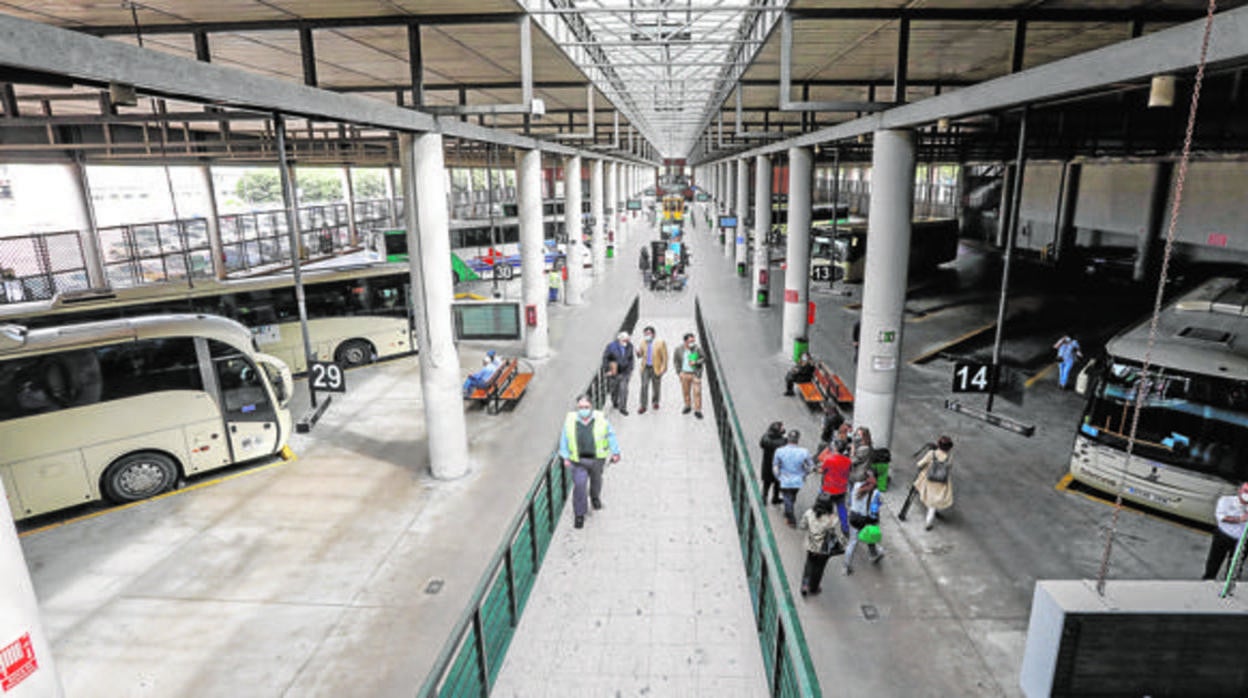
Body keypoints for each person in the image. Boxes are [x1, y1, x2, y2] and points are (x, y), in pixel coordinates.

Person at [558, 395, 622, 529]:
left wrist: (615, 452)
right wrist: (565, 456)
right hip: (578, 460)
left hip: (597, 459)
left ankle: (595, 497)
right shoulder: (570, 421)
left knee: (596, 481)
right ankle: (579, 514)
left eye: (586, 407)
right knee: (580, 485)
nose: (583, 410)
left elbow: (610, 434)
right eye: (580, 408)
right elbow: (564, 439)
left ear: (591, 407)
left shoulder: (600, 419)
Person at [799, 494, 845, 596]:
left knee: (809, 564)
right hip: (824, 549)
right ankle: (814, 588)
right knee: (819, 568)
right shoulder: (833, 519)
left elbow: (802, 526)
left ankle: (804, 585)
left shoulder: (809, 513)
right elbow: (837, 533)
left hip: (811, 545)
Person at [1203, 482, 1248, 580]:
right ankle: (1207, 581)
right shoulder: (1226, 501)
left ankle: (1229, 586)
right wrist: (1240, 519)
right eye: (1246, 491)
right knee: (1214, 562)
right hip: (1223, 536)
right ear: (1240, 491)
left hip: (1242, 541)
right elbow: (1222, 517)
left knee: (1235, 567)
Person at [844, 469, 884, 574]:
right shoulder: (876, 493)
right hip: (865, 519)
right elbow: (875, 510)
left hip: (853, 517)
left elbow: (850, 500)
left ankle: (847, 565)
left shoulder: (857, 486)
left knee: (852, 543)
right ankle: (875, 554)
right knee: (869, 535)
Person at [773, 429, 813, 527]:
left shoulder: (779, 451)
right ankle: (788, 511)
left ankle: (790, 516)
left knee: (787, 497)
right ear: (798, 439)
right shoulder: (804, 452)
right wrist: (805, 473)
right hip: (798, 480)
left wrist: (777, 476)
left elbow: (775, 466)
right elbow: (811, 466)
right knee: (792, 496)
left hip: (784, 479)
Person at [914, 435, 955, 530]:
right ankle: (932, 514)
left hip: (929, 481)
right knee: (936, 500)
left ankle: (928, 522)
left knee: (931, 504)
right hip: (942, 482)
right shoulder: (949, 457)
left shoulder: (932, 454)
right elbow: (949, 467)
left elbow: (920, 464)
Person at [814, 446, 852, 533]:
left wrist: (816, 469)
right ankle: (845, 527)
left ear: (836, 449)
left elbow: (822, 470)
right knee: (841, 508)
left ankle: (822, 524)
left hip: (828, 488)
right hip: (841, 489)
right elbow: (849, 471)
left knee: (823, 505)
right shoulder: (848, 461)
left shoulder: (829, 459)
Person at [635, 326, 668, 414]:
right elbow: (641, 354)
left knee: (656, 386)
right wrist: (638, 353)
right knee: (644, 386)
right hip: (645, 368)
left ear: (653, 334)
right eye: (645, 334)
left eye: (649, 334)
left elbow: (665, 357)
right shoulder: (643, 343)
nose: (647, 335)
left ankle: (655, 401)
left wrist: (663, 368)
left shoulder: (660, 343)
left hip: (656, 367)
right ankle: (643, 405)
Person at [602, 331, 635, 415]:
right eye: (624, 340)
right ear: (619, 339)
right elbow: (605, 359)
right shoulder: (611, 346)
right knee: (614, 390)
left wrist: (630, 368)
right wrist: (607, 370)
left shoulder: (630, 346)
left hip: (625, 372)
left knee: (624, 390)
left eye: (627, 340)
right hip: (614, 372)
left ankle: (623, 407)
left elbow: (631, 358)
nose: (626, 342)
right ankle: (615, 402)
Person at [673, 332, 704, 419]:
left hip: (695, 374)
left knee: (697, 392)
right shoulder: (678, 349)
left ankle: (698, 410)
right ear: (685, 342)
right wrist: (679, 372)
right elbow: (676, 361)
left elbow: (704, 358)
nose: (692, 343)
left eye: (693, 341)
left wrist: (696, 362)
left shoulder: (697, 349)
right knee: (686, 391)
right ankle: (687, 406)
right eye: (690, 341)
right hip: (684, 374)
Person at [759, 421, 787, 505]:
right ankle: (775, 498)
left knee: (766, 484)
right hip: (777, 466)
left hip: (767, 464)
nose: (783, 429)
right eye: (782, 428)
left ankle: (764, 498)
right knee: (777, 484)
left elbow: (762, 443)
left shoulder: (765, 438)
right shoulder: (783, 441)